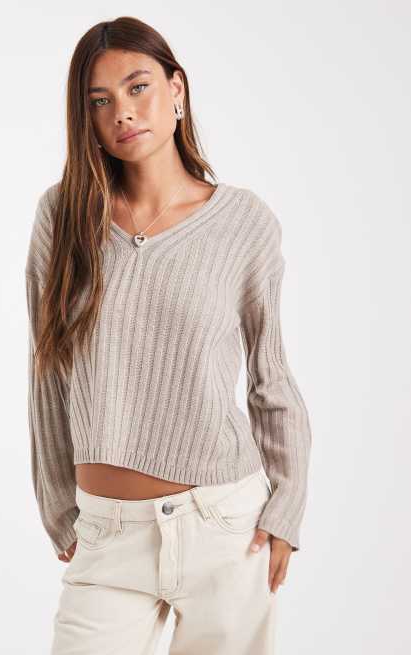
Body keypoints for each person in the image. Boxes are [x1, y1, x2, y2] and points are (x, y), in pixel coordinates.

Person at [25, 15, 312, 655]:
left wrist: (286, 506)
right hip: (106, 532)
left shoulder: (243, 224)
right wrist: (58, 506)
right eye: (100, 101)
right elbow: (47, 370)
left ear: (176, 89)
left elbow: (270, 377)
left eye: (138, 87)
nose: (123, 112)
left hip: (225, 526)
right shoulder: (62, 216)